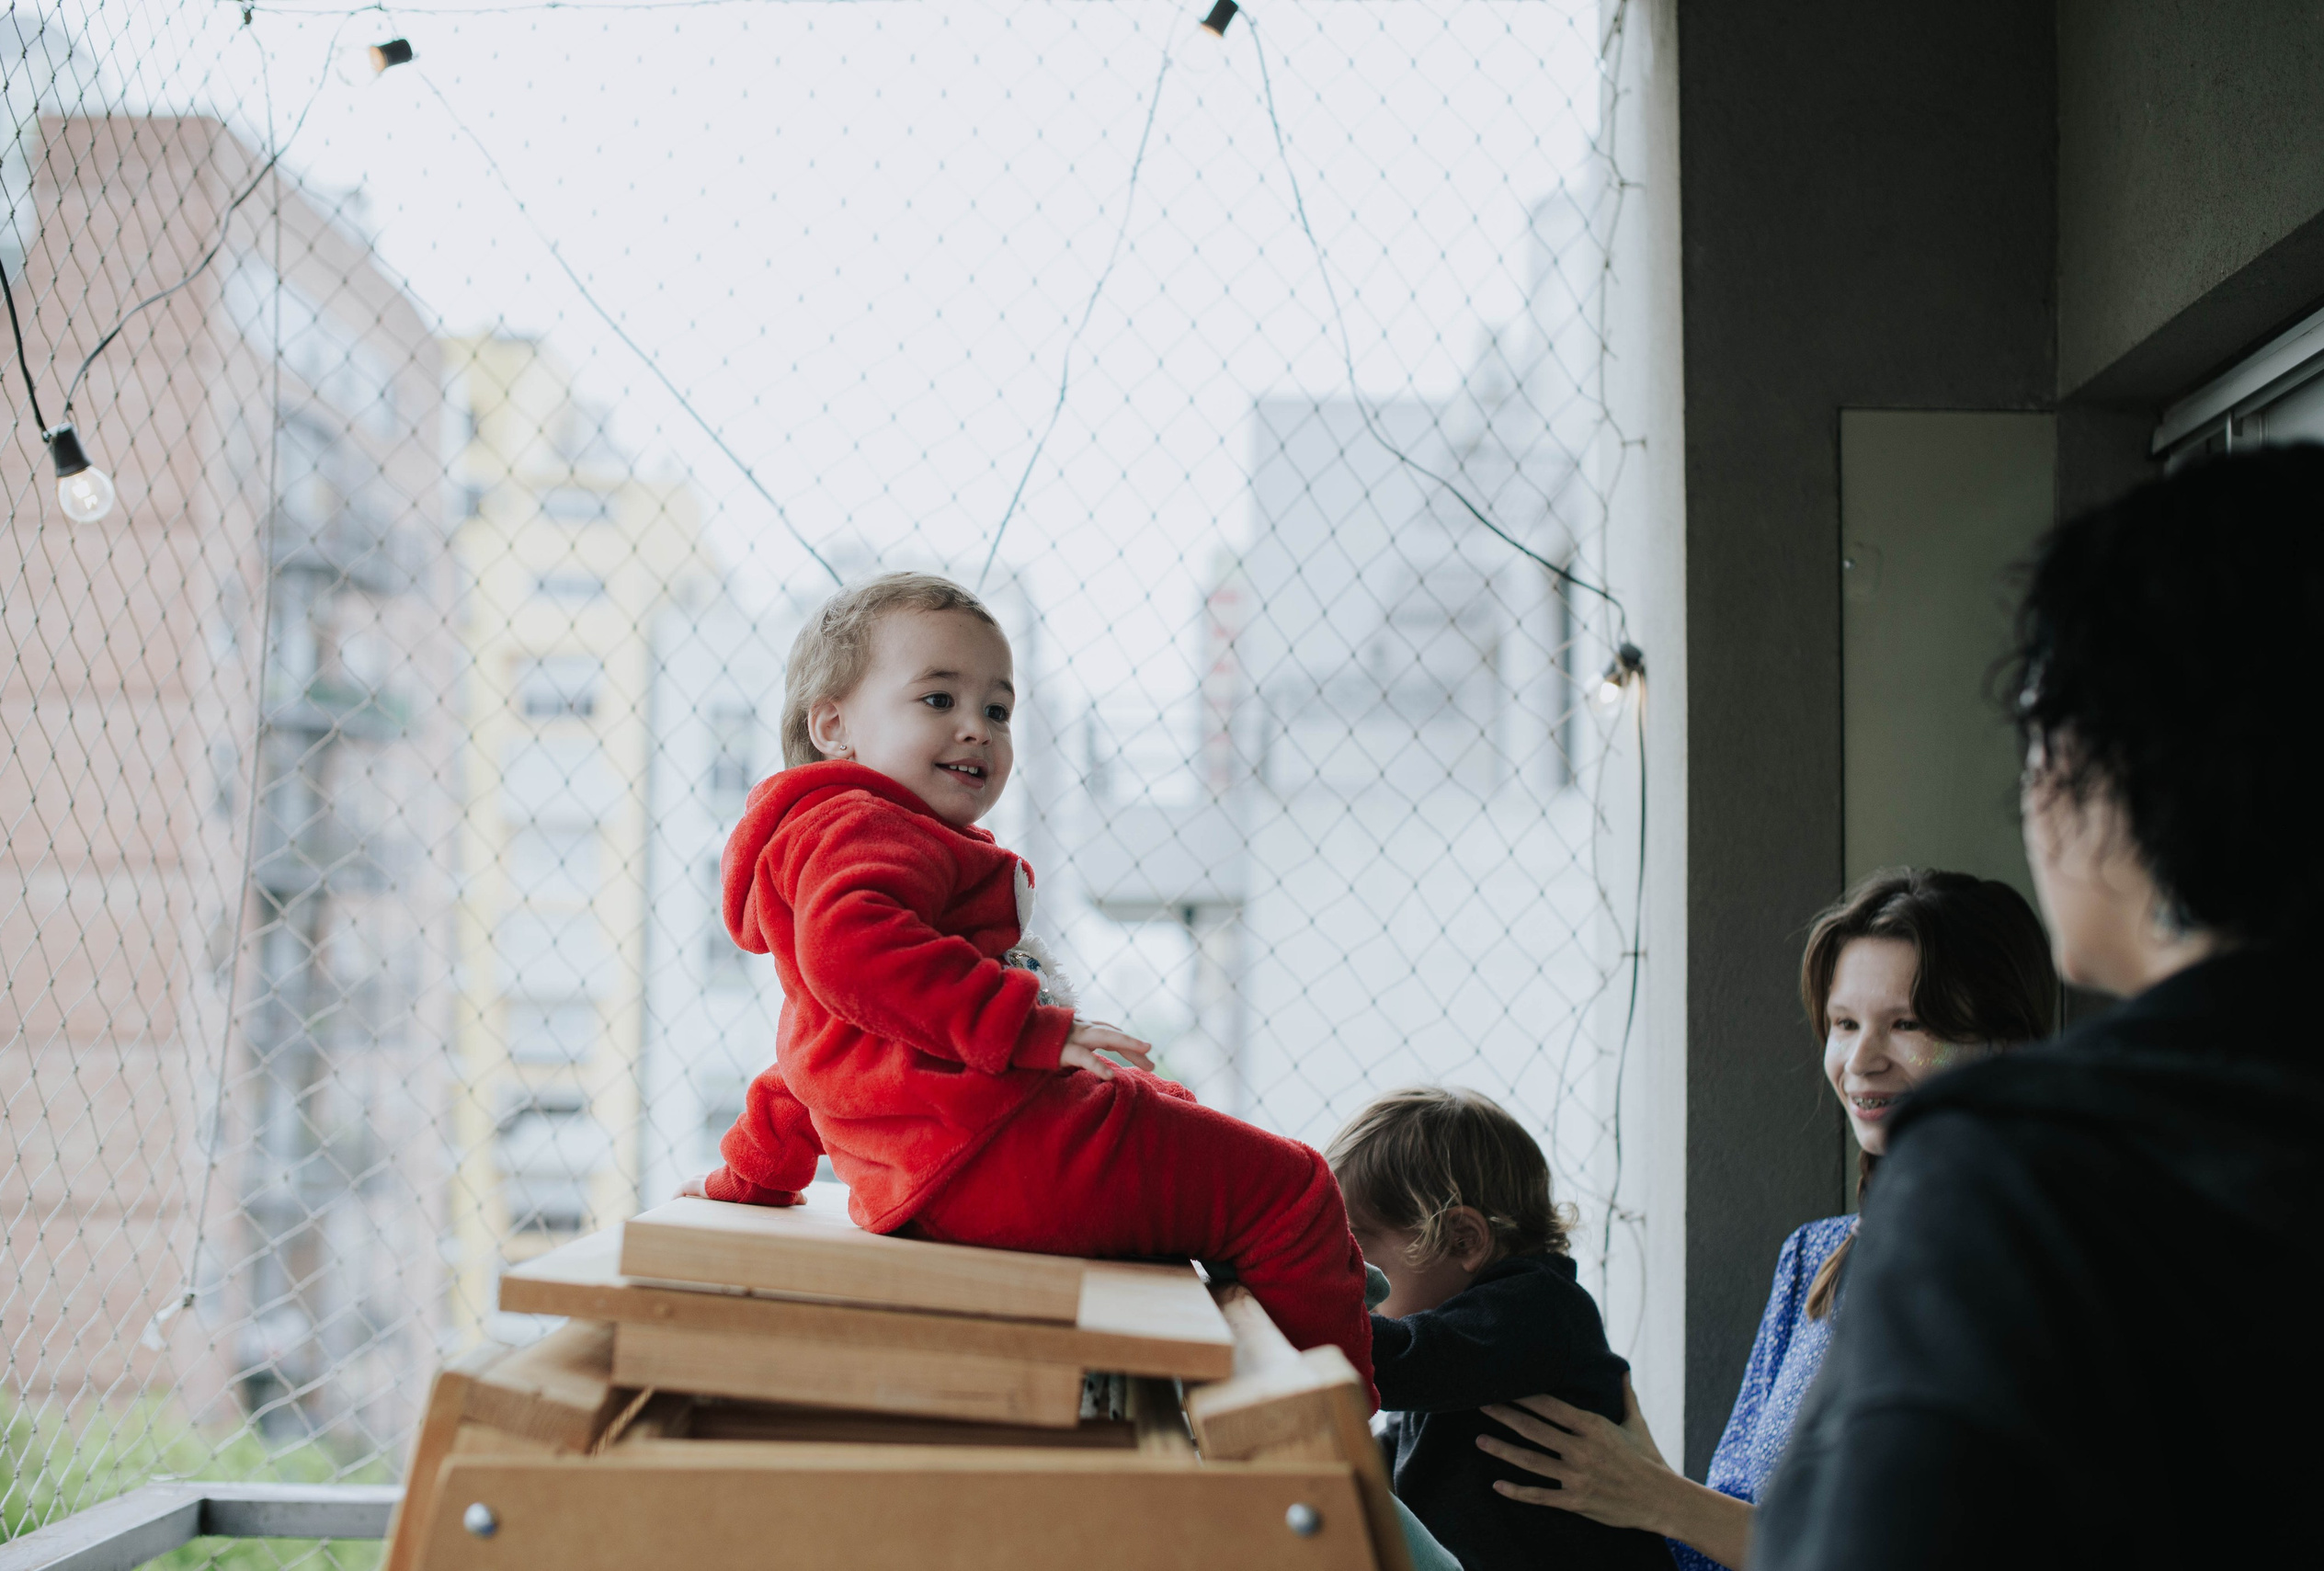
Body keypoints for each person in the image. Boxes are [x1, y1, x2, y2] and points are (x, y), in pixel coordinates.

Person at [1753, 450, 2324, 1567]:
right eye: (1842, 1020)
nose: (1864, 1056)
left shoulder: (2016, 1171)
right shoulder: (1831, 1248)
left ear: (2085, 772)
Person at [689, 571, 1374, 1396]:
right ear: (833, 723)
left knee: (1168, 1102)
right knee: (1291, 1187)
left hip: (938, 1179)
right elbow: (852, 951)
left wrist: (754, 1172)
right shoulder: (865, 828)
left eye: (998, 709)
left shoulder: (833, 842)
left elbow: (822, 1056)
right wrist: (1027, 1027)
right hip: (1003, 1157)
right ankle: (1338, 1439)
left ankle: (1316, 1282)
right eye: (938, 700)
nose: (976, 729)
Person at [1475, 871, 2056, 1569]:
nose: (1861, 1059)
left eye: (1908, 1023)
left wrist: (1655, 1494)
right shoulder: (1813, 1258)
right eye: (1844, 1024)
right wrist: (1636, 1476)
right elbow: (1735, 1535)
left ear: (2009, 1043)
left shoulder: (2034, 1268)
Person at [1330, 1086, 1672, 1571]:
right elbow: (1401, 1454)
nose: (1352, 1282)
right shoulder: (1460, 1333)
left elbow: (1407, 1360)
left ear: (1463, 1239)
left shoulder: (1538, 1311)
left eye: (1361, 1260)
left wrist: (1309, 1315)